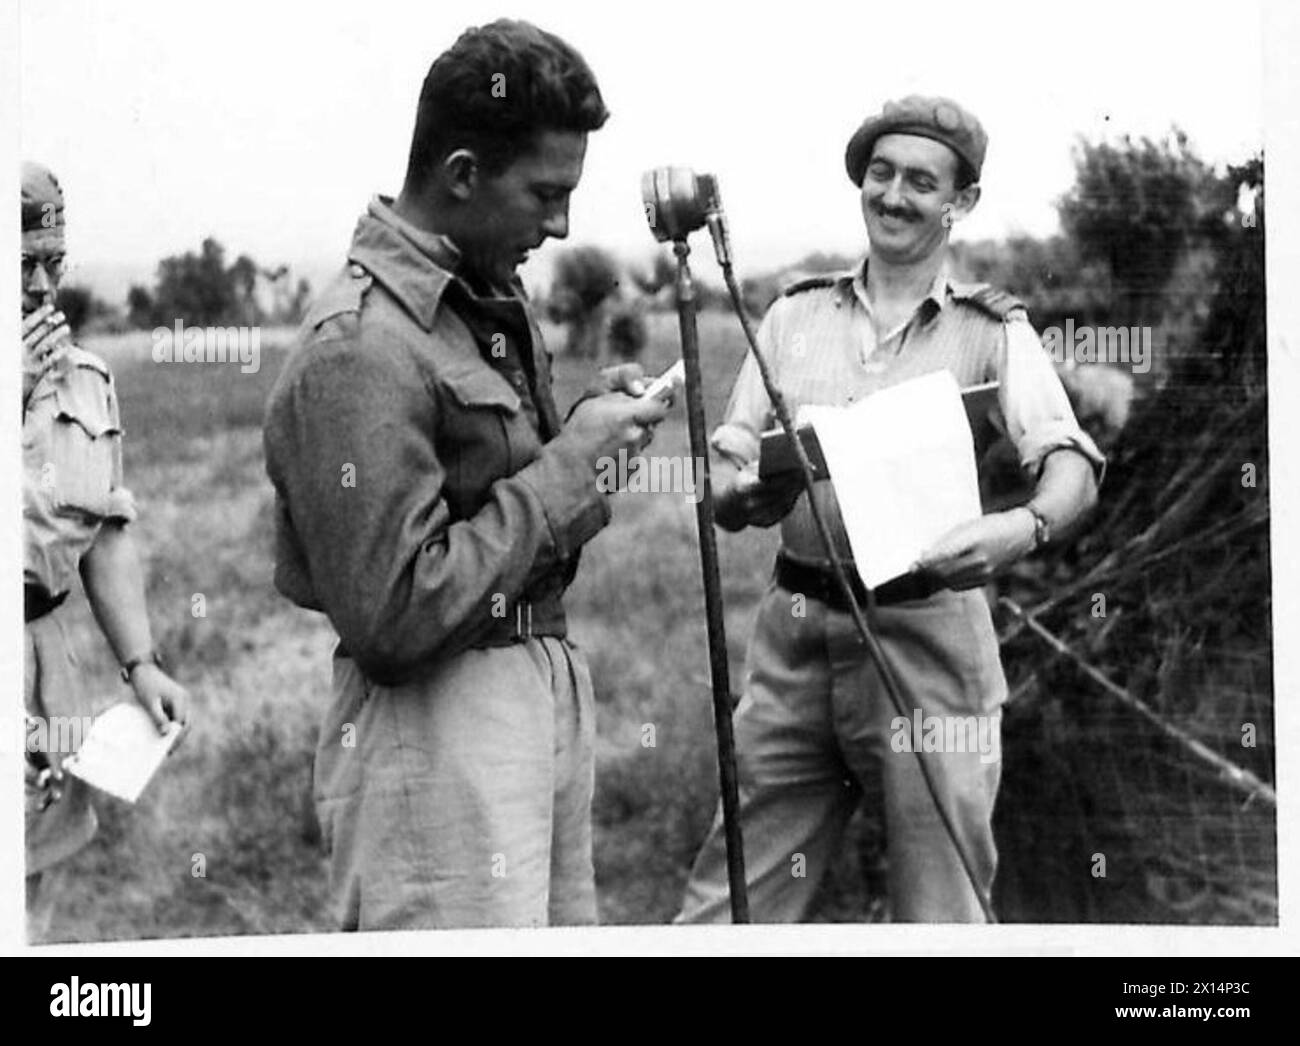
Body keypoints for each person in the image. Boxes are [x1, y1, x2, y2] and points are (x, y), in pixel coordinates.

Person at [262, 19, 668, 931]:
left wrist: (580, 431)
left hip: (526, 702)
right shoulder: (359, 348)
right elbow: (393, 614)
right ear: (460, 175)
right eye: (543, 194)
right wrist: (570, 469)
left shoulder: (473, 299)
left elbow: (482, 493)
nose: (559, 224)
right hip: (438, 732)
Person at [677, 96, 1106, 922]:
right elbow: (729, 459)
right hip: (795, 637)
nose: (895, 196)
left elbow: (1070, 463)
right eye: (880, 174)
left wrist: (1022, 528)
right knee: (730, 908)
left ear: (961, 202)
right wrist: (734, 490)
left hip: (929, 645)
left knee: (939, 910)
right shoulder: (792, 315)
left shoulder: (992, 332)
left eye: (921, 180)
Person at [22, 161, 191, 940]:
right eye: (21, 265)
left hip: (42, 665)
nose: (42, 289)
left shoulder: (85, 382)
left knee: (32, 896)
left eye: (53, 264)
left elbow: (104, 535)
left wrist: (141, 661)